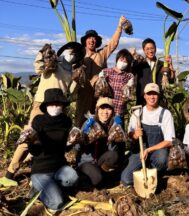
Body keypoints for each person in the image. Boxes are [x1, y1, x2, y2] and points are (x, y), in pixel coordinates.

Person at [0, 41, 84, 187]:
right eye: (70, 50)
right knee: (30, 137)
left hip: (58, 107)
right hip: (41, 104)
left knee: (53, 140)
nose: (72, 54)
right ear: (64, 50)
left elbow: (69, 92)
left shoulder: (70, 70)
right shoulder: (53, 61)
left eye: (75, 53)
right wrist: (42, 52)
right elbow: (39, 68)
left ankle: (46, 172)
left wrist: (77, 81)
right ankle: (9, 173)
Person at [28, 88, 79, 211]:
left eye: (58, 103)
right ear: (46, 106)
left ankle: (47, 188)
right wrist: (31, 141)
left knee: (73, 178)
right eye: (51, 103)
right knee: (56, 203)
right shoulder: (39, 121)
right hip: (41, 170)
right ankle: (38, 188)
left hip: (59, 167)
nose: (55, 106)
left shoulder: (66, 121)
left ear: (62, 105)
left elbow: (65, 148)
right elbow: (34, 152)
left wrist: (71, 142)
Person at [76, 16, 129, 127]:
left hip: (98, 94)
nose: (92, 40)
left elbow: (113, 44)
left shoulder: (101, 54)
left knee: (99, 121)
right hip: (83, 93)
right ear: (85, 41)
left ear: (97, 41)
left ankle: (99, 143)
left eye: (94, 38)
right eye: (89, 38)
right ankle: (79, 142)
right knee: (81, 120)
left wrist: (119, 27)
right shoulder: (79, 56)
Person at [121, 83, 175, 187]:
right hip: (140, 150)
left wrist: (148, 150)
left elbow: (169, 141)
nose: (152, 97)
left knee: (162, 160)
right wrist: (135, 135)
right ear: (145, 96)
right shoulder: (137, 113)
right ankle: (141, 168)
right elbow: (130, 134)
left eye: (154, 94)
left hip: (157, 150)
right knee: (126, 179)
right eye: (149, 94)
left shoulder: (165, 114)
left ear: (159, 96)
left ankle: (154, 171)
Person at [76, 97, 125, 188]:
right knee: (97, 179)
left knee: (113, 155)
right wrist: (84, 136)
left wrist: (115, 133)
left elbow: (112, 151)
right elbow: (77, 148)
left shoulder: (114, 126)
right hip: (87, 161)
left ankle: (103, 175)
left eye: (108, 108)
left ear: (112, 111)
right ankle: (85, 176)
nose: (105, 112)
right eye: (102, 108)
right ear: (97, 110)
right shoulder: (89, 123)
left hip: (100, 160)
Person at [131, 38, 175, 106]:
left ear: (155, 49)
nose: (150, 51)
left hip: (159, 102)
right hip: (142, 101)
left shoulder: (162, 64)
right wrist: (131, 56)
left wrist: (171, 65)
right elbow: (129, 72)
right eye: (147, 49)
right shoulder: (140, 65)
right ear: (144, 50)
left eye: (152, 48)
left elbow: (171, 80)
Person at [100, 48, 134, 120]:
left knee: (118, 130)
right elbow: (100, 79)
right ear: (117, 59)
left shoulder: (128, 76)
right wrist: (101, 77)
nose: (123, 63)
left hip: (120, 110)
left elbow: (130, 94)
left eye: (125, 61)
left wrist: (129, 85)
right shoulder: (107, 71)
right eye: (121, 60)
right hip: (107, 109)